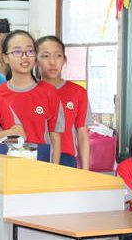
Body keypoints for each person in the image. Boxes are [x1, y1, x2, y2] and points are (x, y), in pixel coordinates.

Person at [0, 30, 64, 163]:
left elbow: (55, 137)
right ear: (5, 57)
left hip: (40, 165)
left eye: (30, 51)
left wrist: (54, 169)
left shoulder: (49, 92)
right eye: (17, 52)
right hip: (7, 164)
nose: (24, 57)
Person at [35, 35, 91, 169]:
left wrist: (86, 171)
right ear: (36, 60)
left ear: (64, 60)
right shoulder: (30, 92)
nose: (52, 62)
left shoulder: (78, 92)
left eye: (58, 55)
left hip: (66, 160)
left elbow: (82, 135)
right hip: (34, 157)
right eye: (45, 56)